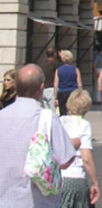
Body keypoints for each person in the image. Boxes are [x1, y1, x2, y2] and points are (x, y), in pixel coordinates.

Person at [0, 64, 77, 207]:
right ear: (41, 88)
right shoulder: (46, 118)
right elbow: (65, 161)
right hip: (36, 202)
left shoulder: (1, 116)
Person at [60, 89, 100, 208]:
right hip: (75, 177)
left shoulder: (59, 121)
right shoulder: (83, 125)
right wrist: (95, 182)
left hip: (58, 178)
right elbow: (86, 158)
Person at [55, 49, 83, 116]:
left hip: (62, 92)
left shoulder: (58, 70)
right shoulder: (76, 69)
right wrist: (80, 94)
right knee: (73, 111)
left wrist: (55, 98)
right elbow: (79, 84)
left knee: (63, 113)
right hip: (73, 92)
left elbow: (56, 85)